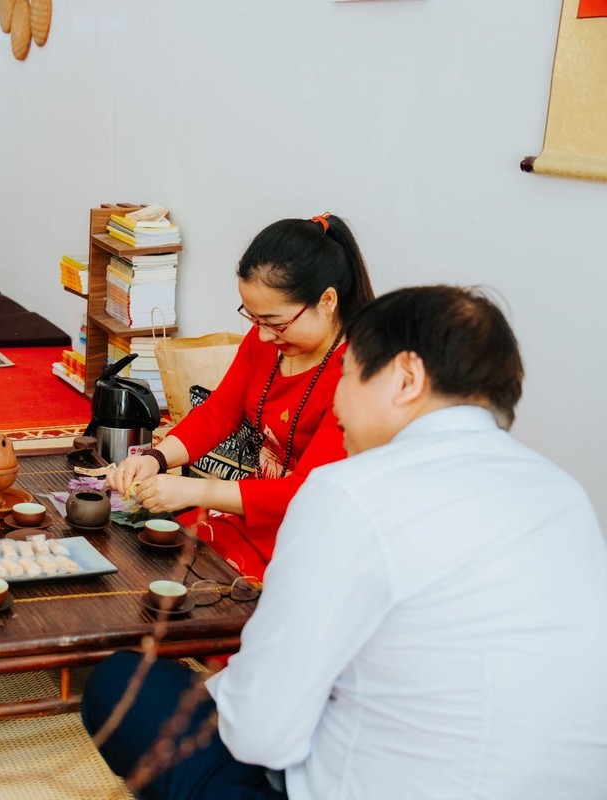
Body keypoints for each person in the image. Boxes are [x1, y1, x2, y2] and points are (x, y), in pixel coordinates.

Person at [82, 285, 607, 799]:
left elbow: (260, 733)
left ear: (405, 378)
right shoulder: (564, 496)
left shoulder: (350, 492)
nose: (337, 403)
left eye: (350, 376)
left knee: (124, 686)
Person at [107, 213, 374, 577]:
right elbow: (220, 412)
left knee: (200, 575)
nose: (262, 336)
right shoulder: (269, 341)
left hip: (315, 531)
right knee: (153, 546)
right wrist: (156, 458)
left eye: (276, 323)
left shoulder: (359, 378)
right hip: (255, 508)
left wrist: (195, 492)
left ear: (327, 301)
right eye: (253, 319)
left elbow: (305, 494)